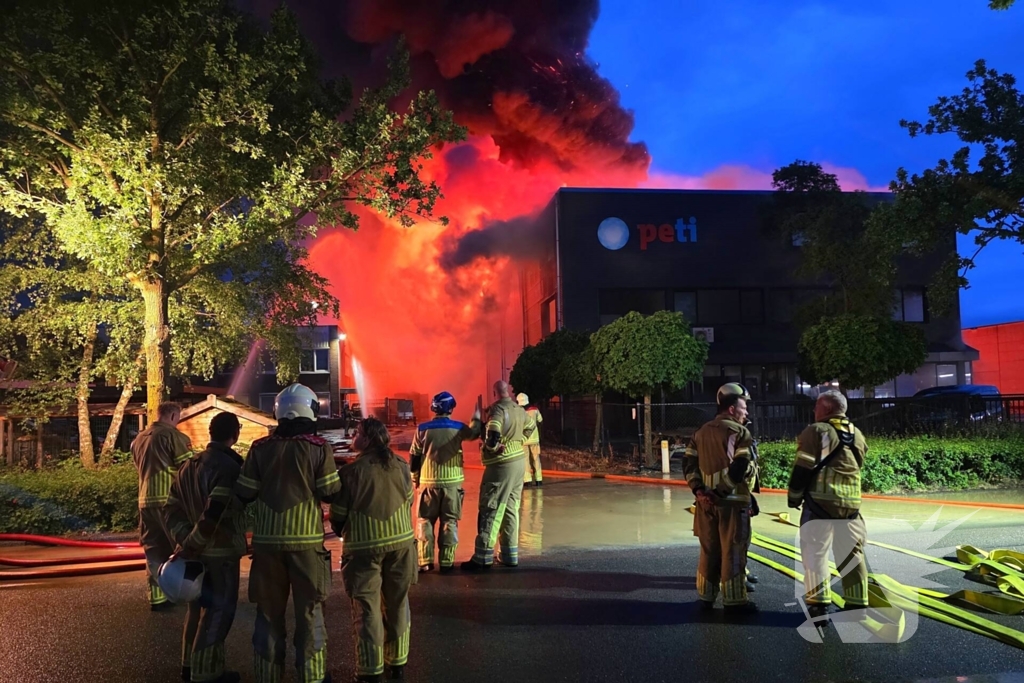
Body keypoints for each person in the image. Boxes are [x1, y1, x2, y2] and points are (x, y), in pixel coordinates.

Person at [234, 383, 340, 683]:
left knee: (268, 613)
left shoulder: (259, 448)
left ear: (278, 412)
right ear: (310, 410)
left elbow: (244, 493)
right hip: (307, 545)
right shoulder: (319, 448)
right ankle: (312, 675)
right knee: (310, 611)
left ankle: (268, 675)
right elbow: (330, 492)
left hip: (267, 545)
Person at [330, 417, 416, 683]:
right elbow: (409, 500)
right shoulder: (400, 464)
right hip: (402, 545)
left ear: (367, 439)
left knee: (367, 609)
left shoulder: (350, 473)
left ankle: (370, 671)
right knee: (398, 604)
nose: (353, 436)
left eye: (357, 432)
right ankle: (397, 663)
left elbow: (338, 516)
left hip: (363, 550)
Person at [164, 412, 247, 683]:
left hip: (192, 556)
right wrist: (194, 543)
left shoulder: (188, 466)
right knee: (218, 612)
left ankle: (188, 665)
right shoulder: (229, 468)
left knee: (195, 610)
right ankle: (206, 673)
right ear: (235, 434)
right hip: (220, 554)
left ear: (211, 432)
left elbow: (170, 510)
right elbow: (214, 512)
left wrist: (185, 540)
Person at [788, 389, 869, 622]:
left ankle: (819, 607)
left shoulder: (816, 431)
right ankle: (857, 605)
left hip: (819, 504)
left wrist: (794, 497)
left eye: (817, 405)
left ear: (827, 408)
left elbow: (802, 468)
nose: (814, 409)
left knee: (815, 552)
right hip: (851, 507)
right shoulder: (858, 434)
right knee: (852, 555)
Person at [682, 383, 758, 615]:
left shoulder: (700, 432)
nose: (746, 412)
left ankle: (706, 597)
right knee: (733, 551)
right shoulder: (740, 432)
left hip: (705, 506)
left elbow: (688, 464)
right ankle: (735, 602)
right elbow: (741, 466)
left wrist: (699, 491)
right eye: (744, 407)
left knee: (709, 550)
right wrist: (720, 493)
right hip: (731, 506)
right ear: (732, 409)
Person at [461, 380, 535, 571]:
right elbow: (531, 426)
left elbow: (493, 434)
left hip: (501, 465)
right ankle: (509, 555)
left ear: (495, 393)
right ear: (508, 391)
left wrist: (493, 447)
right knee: (511, 509)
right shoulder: (519, 409)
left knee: (491, 507)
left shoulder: (497, 410)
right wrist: (518, 442)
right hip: (518, 463)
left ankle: (482, 556)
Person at [409, 391, 481, 573]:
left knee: (424, 521)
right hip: (452, 485)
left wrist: (415, 478)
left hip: (427, 483)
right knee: (450, 522)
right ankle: (447, 562)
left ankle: (424, 561)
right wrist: (476, 417)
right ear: (451, 408)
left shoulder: (422, 429)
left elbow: (414, 456)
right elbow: (474, 433)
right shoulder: (459, 427)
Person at [132, 401, 193, 610]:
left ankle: (158, 599)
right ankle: (186, 594)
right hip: (170, 501)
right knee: (182, 547)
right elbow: (188, 470)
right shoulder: (174, 436)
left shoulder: (138, 439)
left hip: (145, 501)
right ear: (174, 416)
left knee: (153, 550)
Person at [518, 393, 544, 488]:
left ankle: (527, 480)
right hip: (534, 439)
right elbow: (540, 421)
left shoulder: (518, 411)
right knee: (536, 458)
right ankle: (539, 479)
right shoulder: (535, 410)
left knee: (525, 459)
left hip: (523, 439)